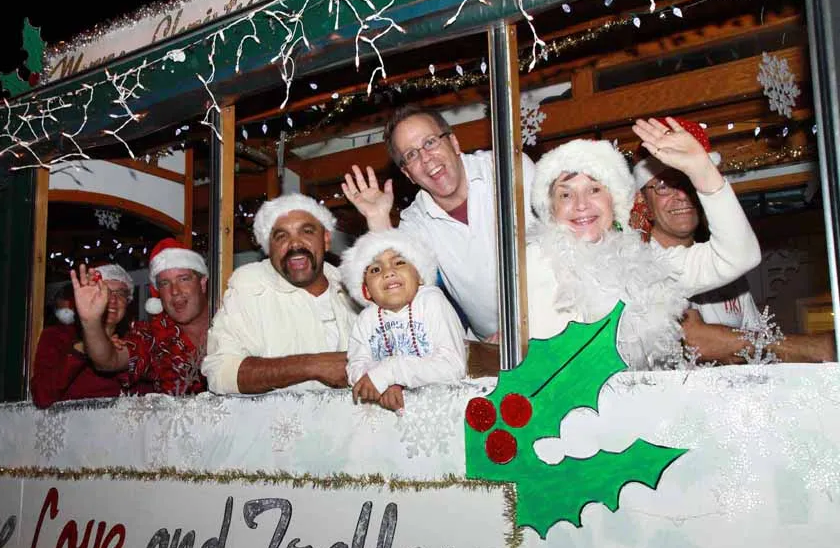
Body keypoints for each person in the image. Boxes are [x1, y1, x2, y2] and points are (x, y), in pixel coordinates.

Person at [525, 117, 762, 369]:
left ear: (614, 201)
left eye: (594, 190)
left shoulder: (648, 266)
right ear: (551, 209)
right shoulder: (525, 268)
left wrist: (702, 170)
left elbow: (739, 256)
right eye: (565, 194)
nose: (581, 204)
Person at [633, 123, 836, 363]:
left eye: (689, 182)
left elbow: (760, 348)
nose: (681, 195)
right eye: (664, 186)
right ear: (642, 201)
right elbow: (695, 341)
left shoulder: (727, 271)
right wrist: (814, 348)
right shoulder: (639, 267)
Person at [341, 104, 535, 342]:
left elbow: (557, 239)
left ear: (454, 143)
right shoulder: (415, 221)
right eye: (411, 155)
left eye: (430, 142)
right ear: (408, 174)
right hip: (492, 346)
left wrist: (523, 325)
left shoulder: (508, 169)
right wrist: (378, 219)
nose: (425, 158)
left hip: (556, 322)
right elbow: (401, 294)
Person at [202, 193, 360, 395]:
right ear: (269, 248)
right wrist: (312, 366)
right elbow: (220, 373)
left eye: (307, 231)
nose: (295, 244)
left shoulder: (355, 288)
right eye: (281, 236)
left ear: (326, 240)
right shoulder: (251, 287)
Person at [340, 229, 466, 413]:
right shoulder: (366, 319)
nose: (388, 272)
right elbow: (355, 367)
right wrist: (382, 384)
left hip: (444, 409)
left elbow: (453, 366)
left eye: (399, 262)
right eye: (375, 269)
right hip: (388, 414)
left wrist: (389, 373)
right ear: (366, 289)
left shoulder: (431, 301)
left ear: (420, 276)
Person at [74, 239, 210, 396]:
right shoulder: (153, 337)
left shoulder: (229, 319)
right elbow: (108, 360)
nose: (175, 291)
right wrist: (91, 321)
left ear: (202, 283)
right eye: (165, 283)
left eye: (184, 279)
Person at [32, 263, 137, 407]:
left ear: (128, 301)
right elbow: (41, 395)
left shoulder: (134, 341)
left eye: (120, 293)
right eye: (104, 291)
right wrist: (85, 347)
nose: (113, 300)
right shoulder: (58, 336)